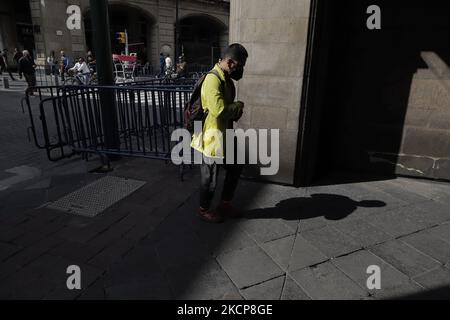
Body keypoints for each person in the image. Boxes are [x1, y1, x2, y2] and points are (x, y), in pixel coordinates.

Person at [191, 43, 248, 223]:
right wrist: (237, 106)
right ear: (230, 62)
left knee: (236, 166)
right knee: (210, 178)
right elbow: (219, 109)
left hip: (224, 135)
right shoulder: (213, 79)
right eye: (239, 66)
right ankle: (204, 209)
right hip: (211, 137)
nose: (240, 70)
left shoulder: (226, 79)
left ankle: (224, 203)